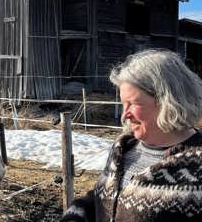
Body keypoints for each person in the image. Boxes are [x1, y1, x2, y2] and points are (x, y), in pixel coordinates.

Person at [61, 49, 202, 222]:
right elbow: (104, 197)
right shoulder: (123, 149)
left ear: (170, 101)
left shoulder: (197, 165)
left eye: (134, 103)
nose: (124, 115)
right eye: (123, 104)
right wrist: (76, 215)